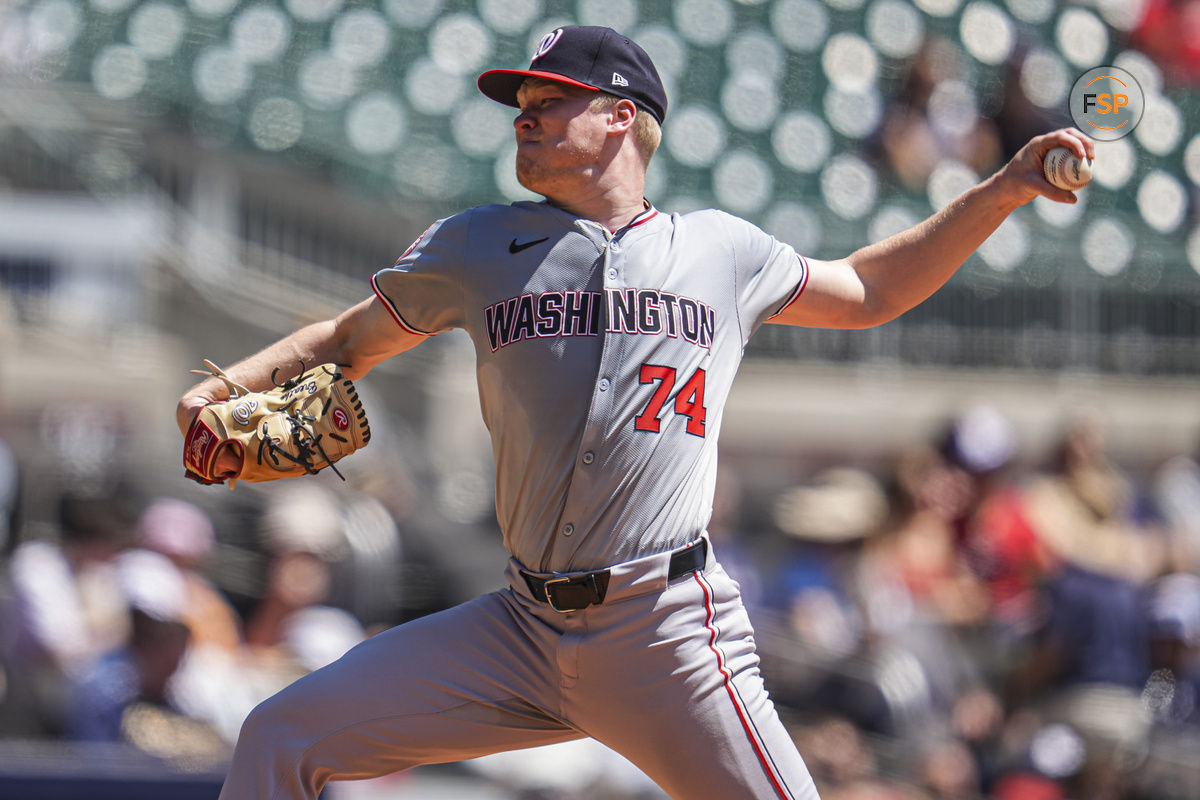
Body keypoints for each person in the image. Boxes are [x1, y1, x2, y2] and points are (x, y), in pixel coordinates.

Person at [175, 25, 1093, 800]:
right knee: (278, 736)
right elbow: (345, 339)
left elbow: (869, 289)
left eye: (551, 100)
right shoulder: (477, 246)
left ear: (623, 118)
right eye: (520, 105)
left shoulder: (721, 252)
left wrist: (1004, 188)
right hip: (520, 630)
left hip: (667, 634)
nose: (524, 118)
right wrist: (222, 393)